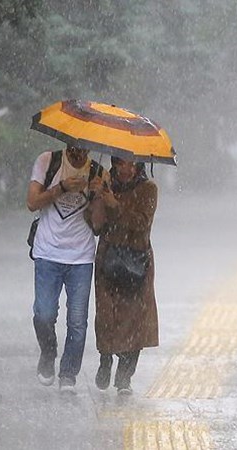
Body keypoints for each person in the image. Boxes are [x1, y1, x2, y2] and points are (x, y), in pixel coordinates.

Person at [26, 145, 106, 394]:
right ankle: (48, 352)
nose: (80, 153)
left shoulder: (98, 171)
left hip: (80, 256)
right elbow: (32, 202)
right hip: (48, 253)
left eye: (85, 148)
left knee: (78, 321)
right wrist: (61, 188)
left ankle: (69, 373)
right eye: (75, 146)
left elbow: (99, 225)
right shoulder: (48, 161)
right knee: (44, 314)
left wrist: (97, 196)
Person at [88, 156, 159, 395]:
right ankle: (105, 359)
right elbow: (95, 226)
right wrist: (97, 197)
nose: (125, 169)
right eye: (120, 163)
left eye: (131, 164)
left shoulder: (148, 189)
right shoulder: (105, 183)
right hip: (109, 258)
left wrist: (114, 203)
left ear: (139, 165)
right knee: (107, 314)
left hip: (137, 260)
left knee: (135, 320)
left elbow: (141, 222)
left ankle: (124, 376)